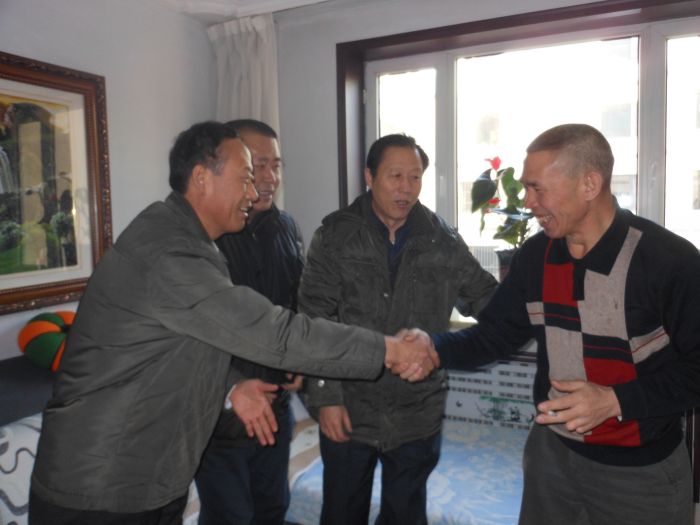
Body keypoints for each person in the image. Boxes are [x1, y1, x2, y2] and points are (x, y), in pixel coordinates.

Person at [28, 121, 439, 525]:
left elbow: (185, 341)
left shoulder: (191, 241)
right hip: (102, 486)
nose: (255, 190)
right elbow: (272, 331)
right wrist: (388, 349)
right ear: (202, 178)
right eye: (245, 177)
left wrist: (229, 387)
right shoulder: (170, 254)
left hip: (150, 477)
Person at [431, 123, 700, 525]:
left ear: (589, 184)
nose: (528, 202)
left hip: (641, 473)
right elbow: (496, 335)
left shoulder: (669, 261)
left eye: (538, 188)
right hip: (551, 455)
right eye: (526, 188)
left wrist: (613, 401)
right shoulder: (534, 256)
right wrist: (431, 348)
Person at [298, 133, 498, 524]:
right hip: (349, 405)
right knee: (341, 513)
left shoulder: (442, 241)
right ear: (369, 176)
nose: (406, 187)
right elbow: (313, 320)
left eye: (415, 177)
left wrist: (533, 306)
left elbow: (488, 301)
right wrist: (326, 398)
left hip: (416, 411)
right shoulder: (336, 237)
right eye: (395, 176)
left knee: (406, 515)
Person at [195, 119, 304, 525]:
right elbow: (196, 330)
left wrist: (299, 359)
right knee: (230, 517)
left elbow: (295, 305)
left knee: (273, 508)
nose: (270, 178)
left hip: (275, 405)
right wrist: (232, 385)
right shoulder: (206, 236)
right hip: (221, 416)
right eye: (258, 166)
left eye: (276, 166)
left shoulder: (286, 227)